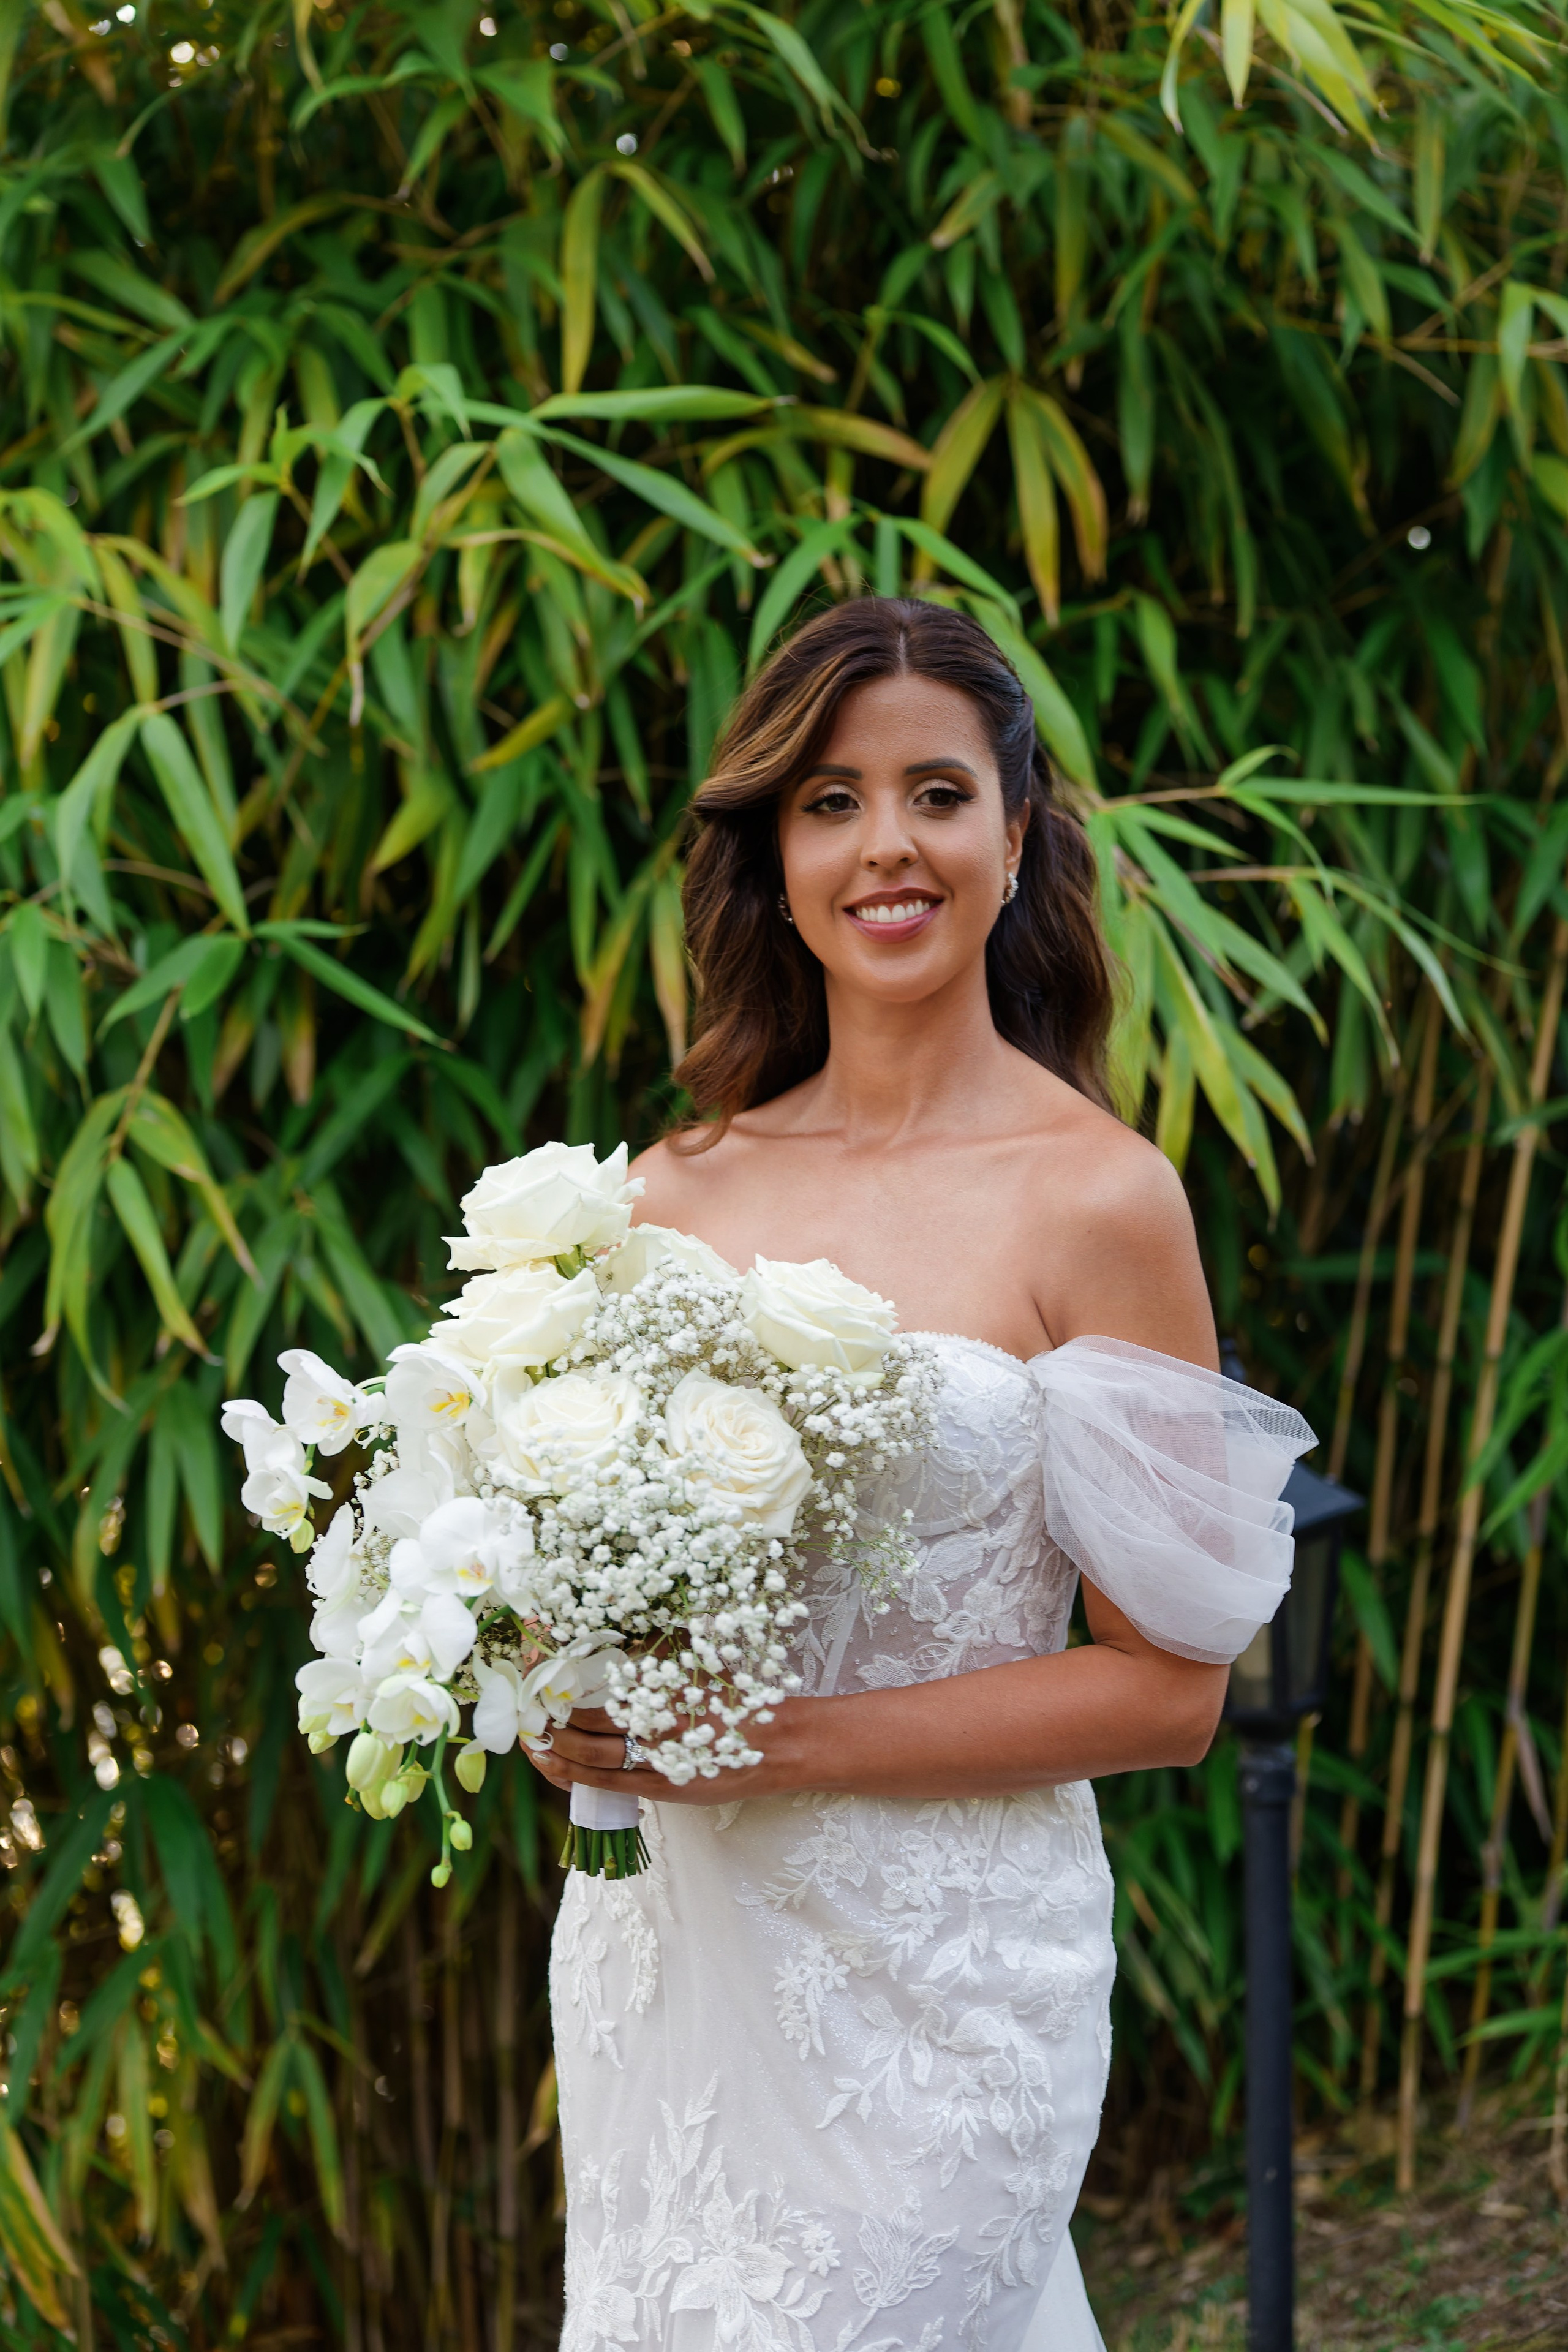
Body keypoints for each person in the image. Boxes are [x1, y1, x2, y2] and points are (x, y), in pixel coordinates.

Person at [528, 598, 1313, 2351]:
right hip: (682, 1967)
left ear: (1013, 838)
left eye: (936, 794)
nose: (886, 843)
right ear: (777, 857)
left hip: (948, 1988)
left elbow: (1171, 1691)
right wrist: (549, 1698)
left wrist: (776, 1746)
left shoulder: (1100, 1199)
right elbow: (591, 1583)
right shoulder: (664, 1196)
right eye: (831, 801)